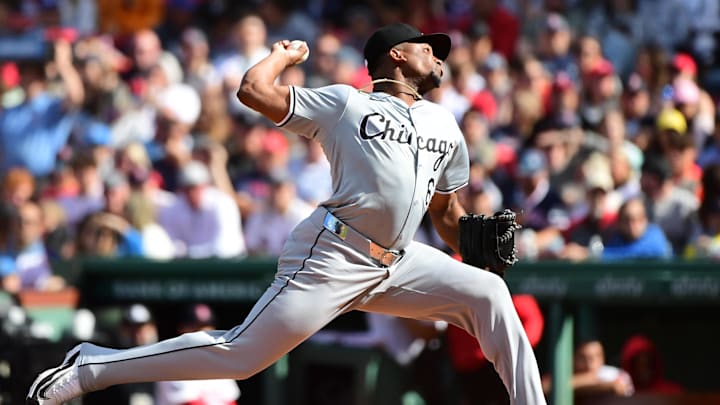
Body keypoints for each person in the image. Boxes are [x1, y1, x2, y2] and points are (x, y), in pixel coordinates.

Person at [27, 23, 546, 405]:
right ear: (396, 55)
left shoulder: (446, 124)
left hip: (400, 261)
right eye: (427, 48)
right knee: (242, 355)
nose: (438, 56)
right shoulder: (347, 104)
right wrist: (280, 56)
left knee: (489, 294)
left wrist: (470, 248)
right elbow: (252, 91)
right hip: (334, 253)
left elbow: (447, 213)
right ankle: (94, 366)